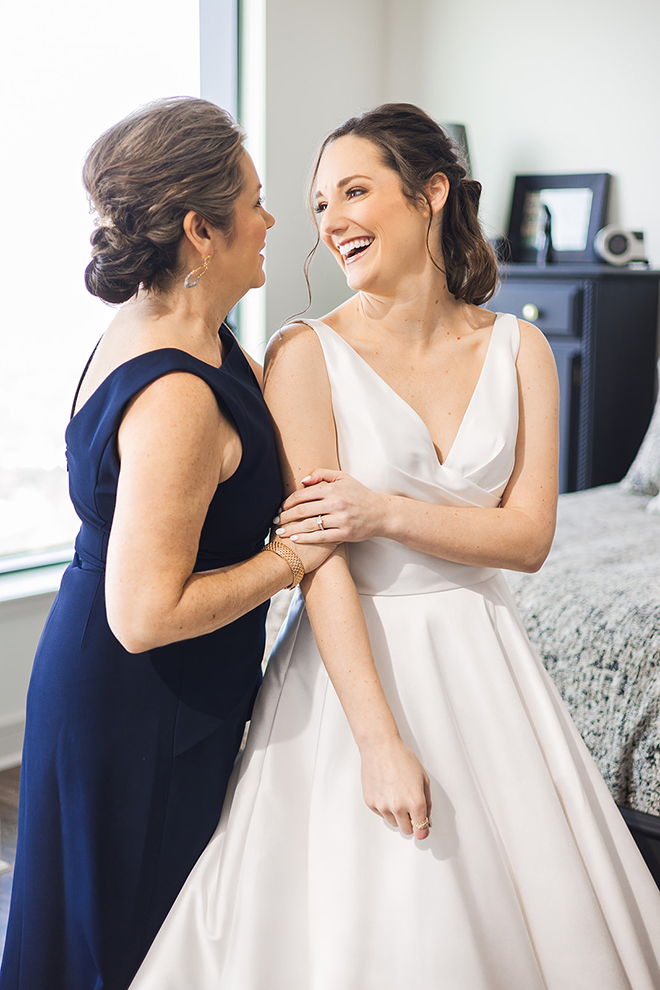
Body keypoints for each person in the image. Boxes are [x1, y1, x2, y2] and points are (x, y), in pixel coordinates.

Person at [129, 104, 660, 989]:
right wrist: (378, 740)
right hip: (352, 669)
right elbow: (318, 559)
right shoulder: (304, 354)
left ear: (431, 194)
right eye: (316, 201)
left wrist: (382, 510)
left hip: (487, 659)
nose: (330, 219)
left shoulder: (522, 348)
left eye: (355, 191)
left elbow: (527, 540)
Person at [0, 97, 333, 990]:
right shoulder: (178, 395)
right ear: (201, 229)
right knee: (129, 944)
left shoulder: (196, 334)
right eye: (257, 202)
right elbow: (146, 613)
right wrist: (292, 562)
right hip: (139, 704)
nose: (272, 220)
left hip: (155, 691)